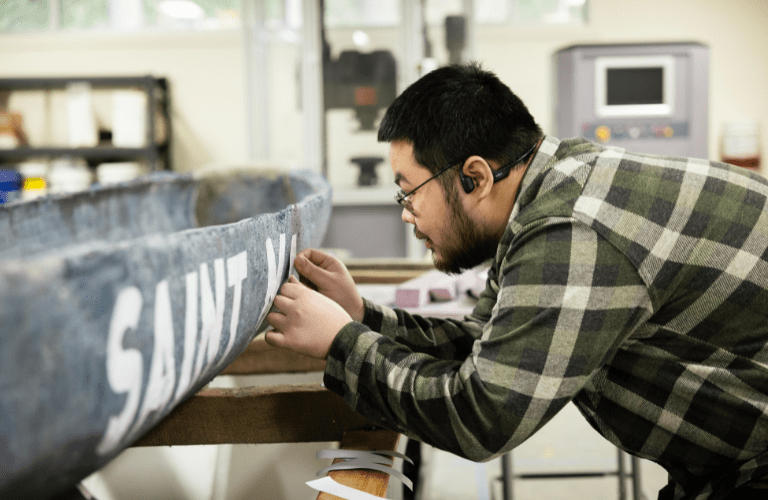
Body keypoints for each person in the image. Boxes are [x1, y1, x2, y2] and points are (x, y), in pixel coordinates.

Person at [265, 62, 768, 500]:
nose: (407, 215)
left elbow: (481, 415)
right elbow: (486, 345)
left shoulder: (569, 230)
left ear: (476, 177)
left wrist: (342, 342)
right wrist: (360, 316)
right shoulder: (552, 191)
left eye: (408, 193)